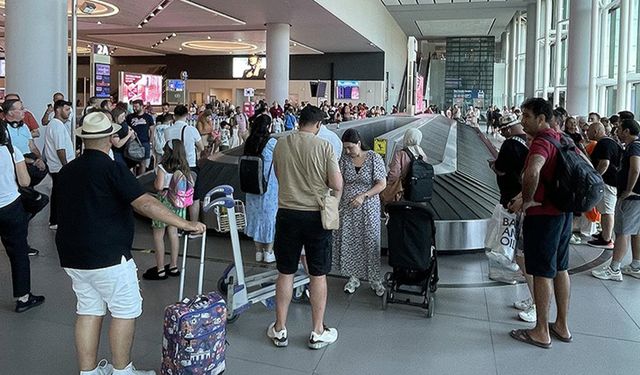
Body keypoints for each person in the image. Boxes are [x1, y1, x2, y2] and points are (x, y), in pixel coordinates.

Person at [55, 111, 206, 375]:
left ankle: (88, 372)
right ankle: (123, 371)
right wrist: (185, 223)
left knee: (89, 309)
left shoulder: (67, 171)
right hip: (109, 255)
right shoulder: (113, 168)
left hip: (73, 255)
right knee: (125, 310)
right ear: (110, 138)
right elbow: (144, 203)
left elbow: (57, 215)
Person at [268, 105, 343, 349]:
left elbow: (279, 176)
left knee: (286, 272)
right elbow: (336, 183)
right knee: (317, 273)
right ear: (319, 125)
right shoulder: (324, 146)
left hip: (287, 214)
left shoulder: (281, 144)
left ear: (299, 122)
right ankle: (317, 331)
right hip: (315, 217)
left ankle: (279, 329)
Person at [508, 98, 573, 349]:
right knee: (560, 268)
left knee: (542, 271)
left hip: (545, 216)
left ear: (542, 119)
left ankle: (541, 331)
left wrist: (526, 200)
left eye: (526, 116)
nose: (522, 120)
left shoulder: (541, 142)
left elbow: (533, 171)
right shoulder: (563, 139)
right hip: (563, 214)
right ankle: (562, 325)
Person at [489, 114, 535, 323]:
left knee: (524, 256)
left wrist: (494, 166)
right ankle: (533, 299)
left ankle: (536, 303)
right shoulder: (528, 145)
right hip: (525, 201)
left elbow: (501, 168)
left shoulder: (510, 145)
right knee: (523, 254)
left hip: (516, 202)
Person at [332, 129, 387, 296]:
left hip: (368, 206)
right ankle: (353, 277)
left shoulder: (373, 158)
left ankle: (375, 279)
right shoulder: (344, 160)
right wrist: (335, 203)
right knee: (350, 241)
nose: (348, 151)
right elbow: (340, 184)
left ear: (358, 143)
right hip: (349, 207)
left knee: (370, 240)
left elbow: (381, 184)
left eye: (350, 147)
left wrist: (363, 196)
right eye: (345, 148)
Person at [0, 121, 45, 313]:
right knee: (18, 253)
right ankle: (23, 298)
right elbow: (25, 181)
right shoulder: (11, 152)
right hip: (10, 207)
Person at [592, 118, 640, 281]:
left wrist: (628, 190)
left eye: (619, 129)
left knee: (623, 232)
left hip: (632, 197)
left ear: (627, 131)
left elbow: (635, 169)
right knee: (635, 232)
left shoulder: (634, 146)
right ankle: (636, 265)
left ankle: (614, 268)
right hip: (637, 197)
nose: (616, 132)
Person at [143, 139, 195, 280]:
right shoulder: (184, 167)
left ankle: (160, 269)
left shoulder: (163, 167)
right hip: (178, 203)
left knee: (159, 236)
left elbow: (159, 187)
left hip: (163, 203)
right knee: (173, 233)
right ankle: (173, 266)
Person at [243, 115, 278, 263]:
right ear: (268, 127)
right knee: (269, 218)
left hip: (252, 186)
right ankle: (269, 252)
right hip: (268, 187)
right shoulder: (272, 142)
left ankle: (258, 252)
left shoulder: (249, 142)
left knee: (255, 218)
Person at [163, 105, 205, 228]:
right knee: (193, 197)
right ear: (187, 115)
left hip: (173, 167)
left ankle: (177, 226)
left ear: (174, 116)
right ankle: (193, 226)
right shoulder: (191, 130)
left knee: (176, 195)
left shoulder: (167, 131)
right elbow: (201, 147)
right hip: (190, 166)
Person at [586, 122, 622, 249]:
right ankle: (605, 235)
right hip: (610, 181)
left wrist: (596, 178)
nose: (586, 133)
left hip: (608, 182)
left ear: (596, 131)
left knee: (607, 211)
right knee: (605, 210)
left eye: (589, 130)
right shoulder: (609, 142)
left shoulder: (604, 143)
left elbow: (604, 163)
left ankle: (607, 240)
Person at [43, 100, 75, 230]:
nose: (68, 112)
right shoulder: (57, 126)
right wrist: (66, 166)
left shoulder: (56, 125)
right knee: (60, 194)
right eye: (66, 109)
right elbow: (60, 149)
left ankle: (56, 219)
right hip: (60, 167)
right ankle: (56, 220)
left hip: (58, 166)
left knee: (58, 193)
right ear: (58, 110)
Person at [3, 99, 47, 187]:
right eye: (21, 109)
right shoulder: (3, 129)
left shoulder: (24, 126)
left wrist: (39, 159)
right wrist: (32, 162)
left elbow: (32, 146)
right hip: (16, 166)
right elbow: (9, 153)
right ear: (10, 112)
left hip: (30, 161)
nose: (25, 111)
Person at [385, 128, 428, 202]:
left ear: (406, 138)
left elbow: (394, 174)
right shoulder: (423, 155)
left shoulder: (400, 154)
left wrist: (388, 184)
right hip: (417, 190)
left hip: (403, 190)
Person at [125, 99, 155, 175]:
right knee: (132, 163)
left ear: (142, 106)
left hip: (144, 142)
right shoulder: (129, 117)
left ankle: (141, 180)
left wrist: (151, 141)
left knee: (143, 163)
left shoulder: (148, 117)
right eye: (133, 107)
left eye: (136, 107)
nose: (134, 108)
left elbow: (152, 130)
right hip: (132, 142)